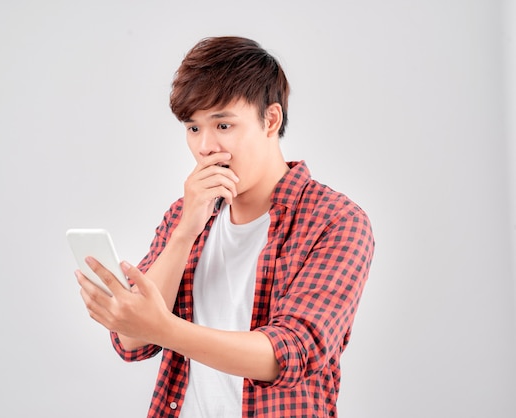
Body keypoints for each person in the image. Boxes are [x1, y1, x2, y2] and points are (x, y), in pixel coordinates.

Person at [76, 36, 375, 417]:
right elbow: (134, 340)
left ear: (271, 119)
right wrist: (185, 231)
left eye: (223, 124)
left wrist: (163, 328)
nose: (205, 147)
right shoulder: (183, 215)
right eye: (194, 128)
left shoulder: (335, 221)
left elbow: (289, 353)